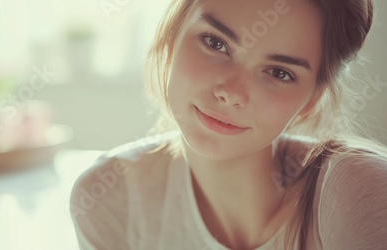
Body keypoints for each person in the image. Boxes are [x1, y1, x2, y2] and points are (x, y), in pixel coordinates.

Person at [70, 0, 387, 249]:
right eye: (214, 42)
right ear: (172, 34)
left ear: (310, 101)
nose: (231, 93)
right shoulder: (109, 198)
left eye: (279, 73)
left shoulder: (356, 190)